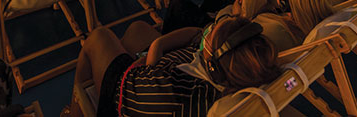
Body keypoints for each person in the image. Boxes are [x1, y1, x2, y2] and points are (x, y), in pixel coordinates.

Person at [65, 17, 279, 117]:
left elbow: (137, 80)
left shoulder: (179, 95)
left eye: (211, 34)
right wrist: (158, 44)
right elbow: (196, 33)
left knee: (98, 37)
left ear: (214, 65)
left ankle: (74, 110)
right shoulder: (231, 68)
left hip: (124, 93)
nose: (208, 32)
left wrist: (151, 57)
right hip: (161, 67)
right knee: (137, 29)